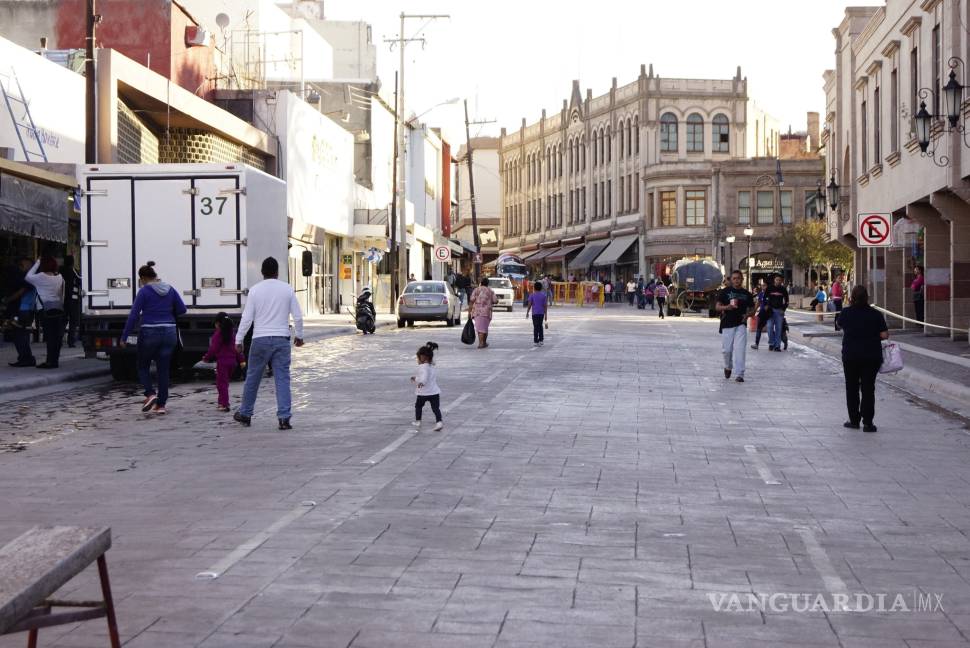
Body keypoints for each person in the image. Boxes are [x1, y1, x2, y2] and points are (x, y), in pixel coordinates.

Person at [234, 257, 304, 430]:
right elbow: (298, 316)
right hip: (281, 339)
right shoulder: (287, 289)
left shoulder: (255, 291)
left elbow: (247, 318)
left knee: (253, 378)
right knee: (282, 379)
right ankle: (284, 418)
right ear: (277, 272)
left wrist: (239, 339)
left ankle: (246, 413)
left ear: (262, 272)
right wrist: (299, 335)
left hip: (260, 340)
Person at [121, 262, 187, 414]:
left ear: (144, 278)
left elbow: (133, 315)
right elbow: (182, 309)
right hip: (169, 332)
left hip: (150, 332)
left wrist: (124, 336)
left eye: (141, 280)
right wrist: (168, 312)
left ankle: (150, 394)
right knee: (163, 369)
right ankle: (161, 405)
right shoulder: (170, 289)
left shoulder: (144, 292)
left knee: (143, 365)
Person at [838, 285, 888, 432]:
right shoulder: (875, 314)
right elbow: (884, 335)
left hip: (851, 356)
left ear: (852, 297)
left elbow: (839, 325)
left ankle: (854, 420)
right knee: (868, 388)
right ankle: (868, 422)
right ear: (867, 297)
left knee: (851, 387)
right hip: (871, 356)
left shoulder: (846, 313)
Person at [25, 257, 66, 369]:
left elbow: (27, 276)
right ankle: (54, 360)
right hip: (57, 308)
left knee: (50, 336)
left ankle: (50, 362)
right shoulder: (59, 277)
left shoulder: (40, 277)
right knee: (56, 336)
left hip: (44, 309)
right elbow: (62, 294)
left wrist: (37, 262)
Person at [716, 270, 756, 383]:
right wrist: (726, 307)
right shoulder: (725, 292)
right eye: (734, 278)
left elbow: (752, 310)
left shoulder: (747, 294)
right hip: (727, 323)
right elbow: (717, 307)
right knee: (726, 350)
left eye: (738, 278)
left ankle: (740, 374)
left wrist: (748, 315)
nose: (736, 280)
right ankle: (728, 366)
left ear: (742, 279)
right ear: (731, 280)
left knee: (740, 349)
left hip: (741, 324)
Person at [204, 312, 247, 412]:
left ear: (218, 323)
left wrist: (206, 358)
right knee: (224, 383)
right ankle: (221, 402)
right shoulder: (233, 334)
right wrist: (242, 360)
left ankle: (224, 404)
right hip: (233, 363)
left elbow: (213, 349)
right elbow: (238, 349)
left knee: (221, 384)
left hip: (222, 363)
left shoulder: (218, 335)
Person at [5, 258, 37, 367]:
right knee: (22, 335)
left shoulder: (29, 279)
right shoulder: (30, 278)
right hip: (27, 310)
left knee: (19, 335)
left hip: (24, 310)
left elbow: (21, 292)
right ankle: (26, 358)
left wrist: (8, 299)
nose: (21, 267)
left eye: (23, 264)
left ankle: (25, 358)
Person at [411, 341, 443, 431]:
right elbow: (427, 375)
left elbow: (424, 378)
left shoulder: (423, 367)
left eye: (418, 358)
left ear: (423, 358)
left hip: (423, 393)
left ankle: (418, 421)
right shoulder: (431, 366)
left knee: (418, 406)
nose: (417, 360)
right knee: (436, 408)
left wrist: (417, 380)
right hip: (434, 392)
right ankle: (439, 422)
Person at [468, 277, 497, 348]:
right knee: (484, 328)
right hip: (487, 312)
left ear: (481, 283)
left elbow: (471, 300)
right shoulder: (490, 291)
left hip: (477, 311)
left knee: (480, 328)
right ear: (487, 284)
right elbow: (495, 300)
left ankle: (481, 343)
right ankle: (483, 342)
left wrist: (469, 312)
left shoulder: (476, 290)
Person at [59, 255, 82, 348]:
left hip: (62, 299)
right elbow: (80, 280)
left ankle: (59, 340)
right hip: (73, 299)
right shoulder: (73, 271)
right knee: (73, 321)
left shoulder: (60, 271)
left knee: (63, 321)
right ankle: (71, 341)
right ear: (72, 262)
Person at [765, 274, 789, 352]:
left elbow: (787, 301)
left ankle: (777, 346)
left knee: (778, 329)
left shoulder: (783, 289)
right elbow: (764, 298)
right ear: (774, 280)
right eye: (777, 280)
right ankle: (771, 343)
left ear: (781, 281)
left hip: (779, 312)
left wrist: (783, 309)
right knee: (769, 327)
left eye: (779, 280)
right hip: (770, 311)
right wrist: (766, 306)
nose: (778, 281)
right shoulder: (769, 288)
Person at [525, 280, 548, 346]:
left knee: (535, 327)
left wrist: (527, 312)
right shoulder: (544, 296)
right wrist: (546, 315)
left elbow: (529, 305)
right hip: (541, 314)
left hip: (534, 314)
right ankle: (541, 340)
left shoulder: (532, 295)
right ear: (541, 288)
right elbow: (545, 306)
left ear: (534, 288)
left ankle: (536, 341)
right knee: (540, 326)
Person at [751, 283, 768, 350]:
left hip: (770, 314)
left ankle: (773, 344)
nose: (763, 287)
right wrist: (754, 312)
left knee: (770, 328)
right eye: (762, 286)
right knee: (759, 328)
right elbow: (758, 303)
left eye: (765, 285)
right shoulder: (761, 294)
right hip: (762, 313)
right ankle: (756, 344)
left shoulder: (771, 293)